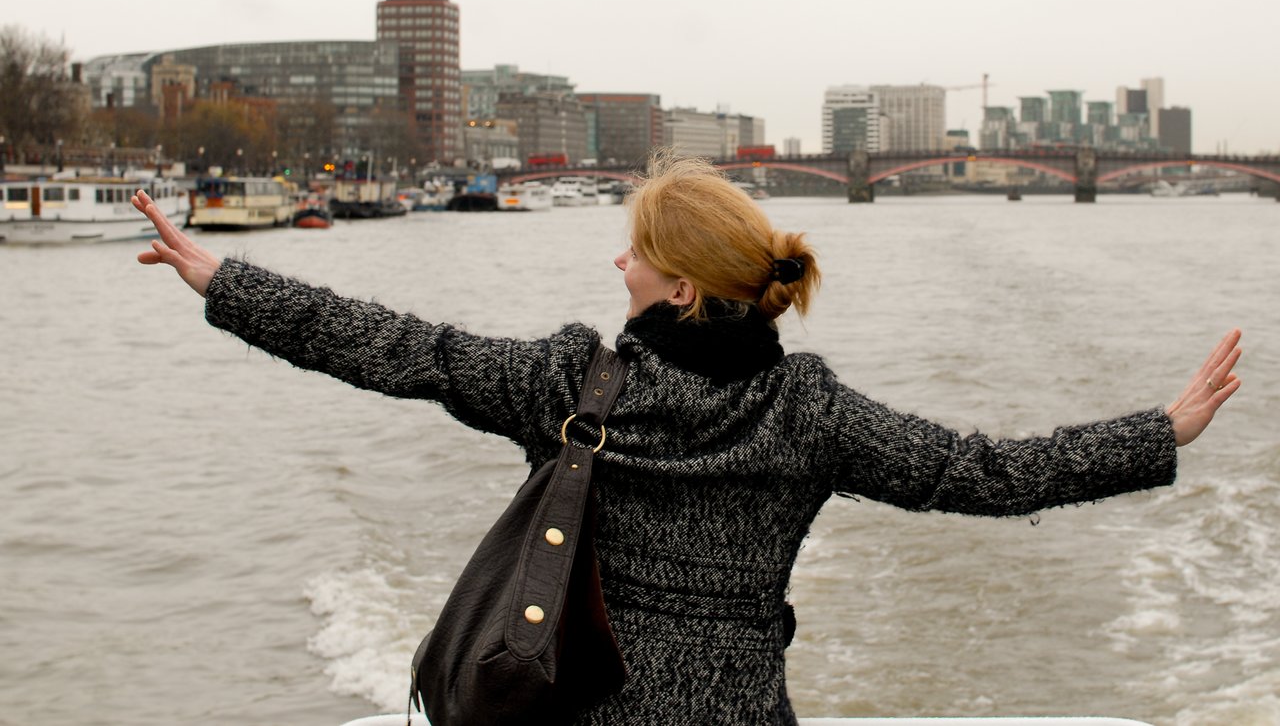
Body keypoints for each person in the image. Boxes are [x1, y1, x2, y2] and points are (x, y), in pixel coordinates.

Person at [130, 154, 1241, 725]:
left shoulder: (576, 381)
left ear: (675, 276)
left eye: (631, 249)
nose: (617, 265)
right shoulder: (809, 411)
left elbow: (396, 347)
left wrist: (224, 278)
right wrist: (1155, 432)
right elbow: (985, 473)